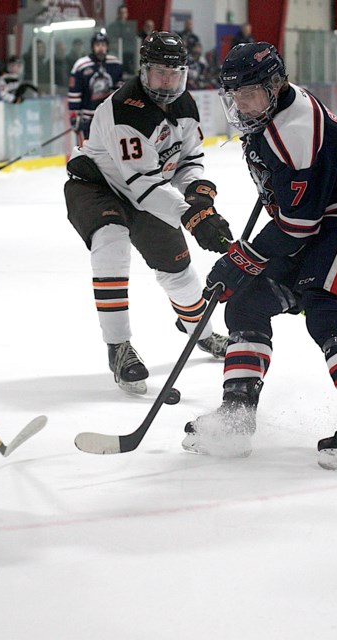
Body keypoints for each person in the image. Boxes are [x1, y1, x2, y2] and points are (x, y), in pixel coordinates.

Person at [184, 42, 337, 470]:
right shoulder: (272, 114)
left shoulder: (296, 128)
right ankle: (237, 415)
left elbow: (299, 225)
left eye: (249, 94)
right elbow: (292, 209)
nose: (241, 105)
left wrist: (239, 259)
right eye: (235, 96)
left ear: (275, 84)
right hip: (311, 227)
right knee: (246, 303)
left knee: (325, 307)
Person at [63, 32, 232, 396]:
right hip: (97, 187)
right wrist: (190, 215)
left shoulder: (186, 105)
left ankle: (202, 334)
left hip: (149, 192)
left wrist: (198, 194)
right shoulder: (125, 110)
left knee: (180, 273)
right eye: (159, 73)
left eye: (175, 73)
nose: (168, 82)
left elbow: (189, 161)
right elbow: (143, 184)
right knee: (111, 242)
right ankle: (118, 347)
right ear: (144, 71)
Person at [67, 32, 124, 144]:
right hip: (88, 119)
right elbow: (74, 93)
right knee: (86, 152)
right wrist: (75, 115)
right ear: (92, 47)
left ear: (107, 47)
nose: (100, 48)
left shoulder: (115, 64)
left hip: (108, 118)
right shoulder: (81, 65)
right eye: (97, 45)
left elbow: (120, 90)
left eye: (103, 45)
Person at [105, 4, 136, 74]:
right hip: (115, 54)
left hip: (128, 55)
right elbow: (110, 40)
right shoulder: (112, 27)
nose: (123, 15)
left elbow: (133, 41)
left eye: (124, 13)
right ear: (118, 14)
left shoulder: (131, 27)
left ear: (127, 14)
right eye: (121, 13)